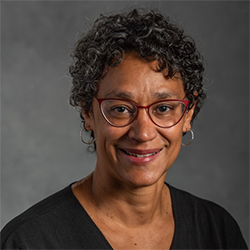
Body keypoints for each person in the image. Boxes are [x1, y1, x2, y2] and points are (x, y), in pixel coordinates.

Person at [1, 8, 248, 250]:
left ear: (188, 113)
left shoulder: (217, 231)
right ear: (88, 111)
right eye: (120, 109)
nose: (143, 133)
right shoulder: (27, 241)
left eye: (163, 108)